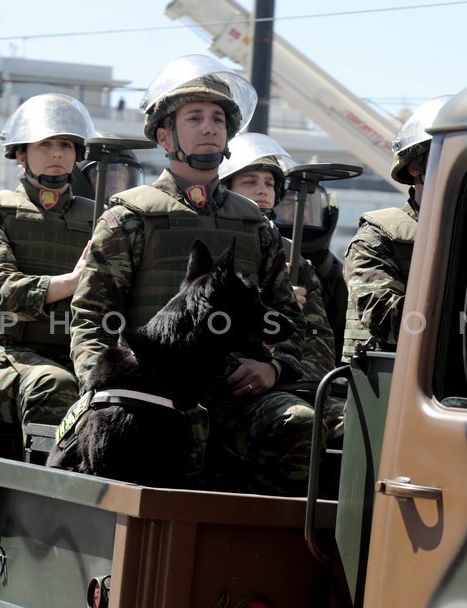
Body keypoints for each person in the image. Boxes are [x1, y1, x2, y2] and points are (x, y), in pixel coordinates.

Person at [68, 54, 313, 497]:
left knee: (301, 425)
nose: (209, 127)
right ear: (165, 135)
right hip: (149, 396)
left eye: (218, 118)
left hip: (235, 394)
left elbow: (287, 318)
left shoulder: (255, 226)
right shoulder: (129, 217)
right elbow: (91, 320)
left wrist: (274, 366)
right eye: (194, 117)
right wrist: (103, 390)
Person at [0, 93, 97, 437]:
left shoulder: (98, 218)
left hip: (74, 356)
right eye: (44, 144)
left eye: (65, 145)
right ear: (21, 154)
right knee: (54, 385)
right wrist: (71, 282)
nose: (56, 153)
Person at [218, 131, 336, 379]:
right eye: (250, 182)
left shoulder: (290, 253)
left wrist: (289, 375)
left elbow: (318, 336)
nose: (262, 190)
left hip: (283, 379)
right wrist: (269, 304)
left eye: (269, 184)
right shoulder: (210, 242)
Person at [342, 95, 451, 359]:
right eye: (445, 154)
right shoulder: (378, 235)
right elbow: (384, 317)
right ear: (416, 166)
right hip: (391, 382)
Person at [276, 184, 348, 352]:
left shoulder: (335, 271)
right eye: (287, 205)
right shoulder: (266, 256)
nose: (299, 211)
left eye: (309, 207)